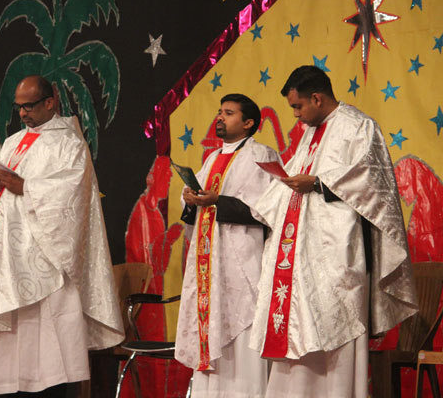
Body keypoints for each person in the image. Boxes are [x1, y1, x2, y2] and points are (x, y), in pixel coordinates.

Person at [249, 66, 418, 397]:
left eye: (298, 107)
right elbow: (297, 175)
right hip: (302, 250)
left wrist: (318, 183)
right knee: (298, 325)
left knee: (336, 322)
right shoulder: (311, 133)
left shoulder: (359, 126)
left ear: (317, 98)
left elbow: (374, 182)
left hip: (339, 250)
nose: (296, 115)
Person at [0, 75, 124, 397]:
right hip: (9, 256)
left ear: (50, 102)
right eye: (19, 107)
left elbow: (74, 194)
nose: (22, 113)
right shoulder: (12, 142)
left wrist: (25, 187)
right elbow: (1, 189)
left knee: (48, 346)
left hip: (47, 258)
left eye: (29, 106)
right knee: (14, 350)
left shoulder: (69, 143)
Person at [175, 94, 279, 397]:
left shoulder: (262, 155)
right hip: (210, 260)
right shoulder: (212, 158)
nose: (220, 117)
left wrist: (218, 201)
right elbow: (197, 204)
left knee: (243, 334)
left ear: (248, 123)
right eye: (220, 111)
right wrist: (190, 198)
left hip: (242, 260)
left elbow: (267, 208)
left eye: (229, 113)